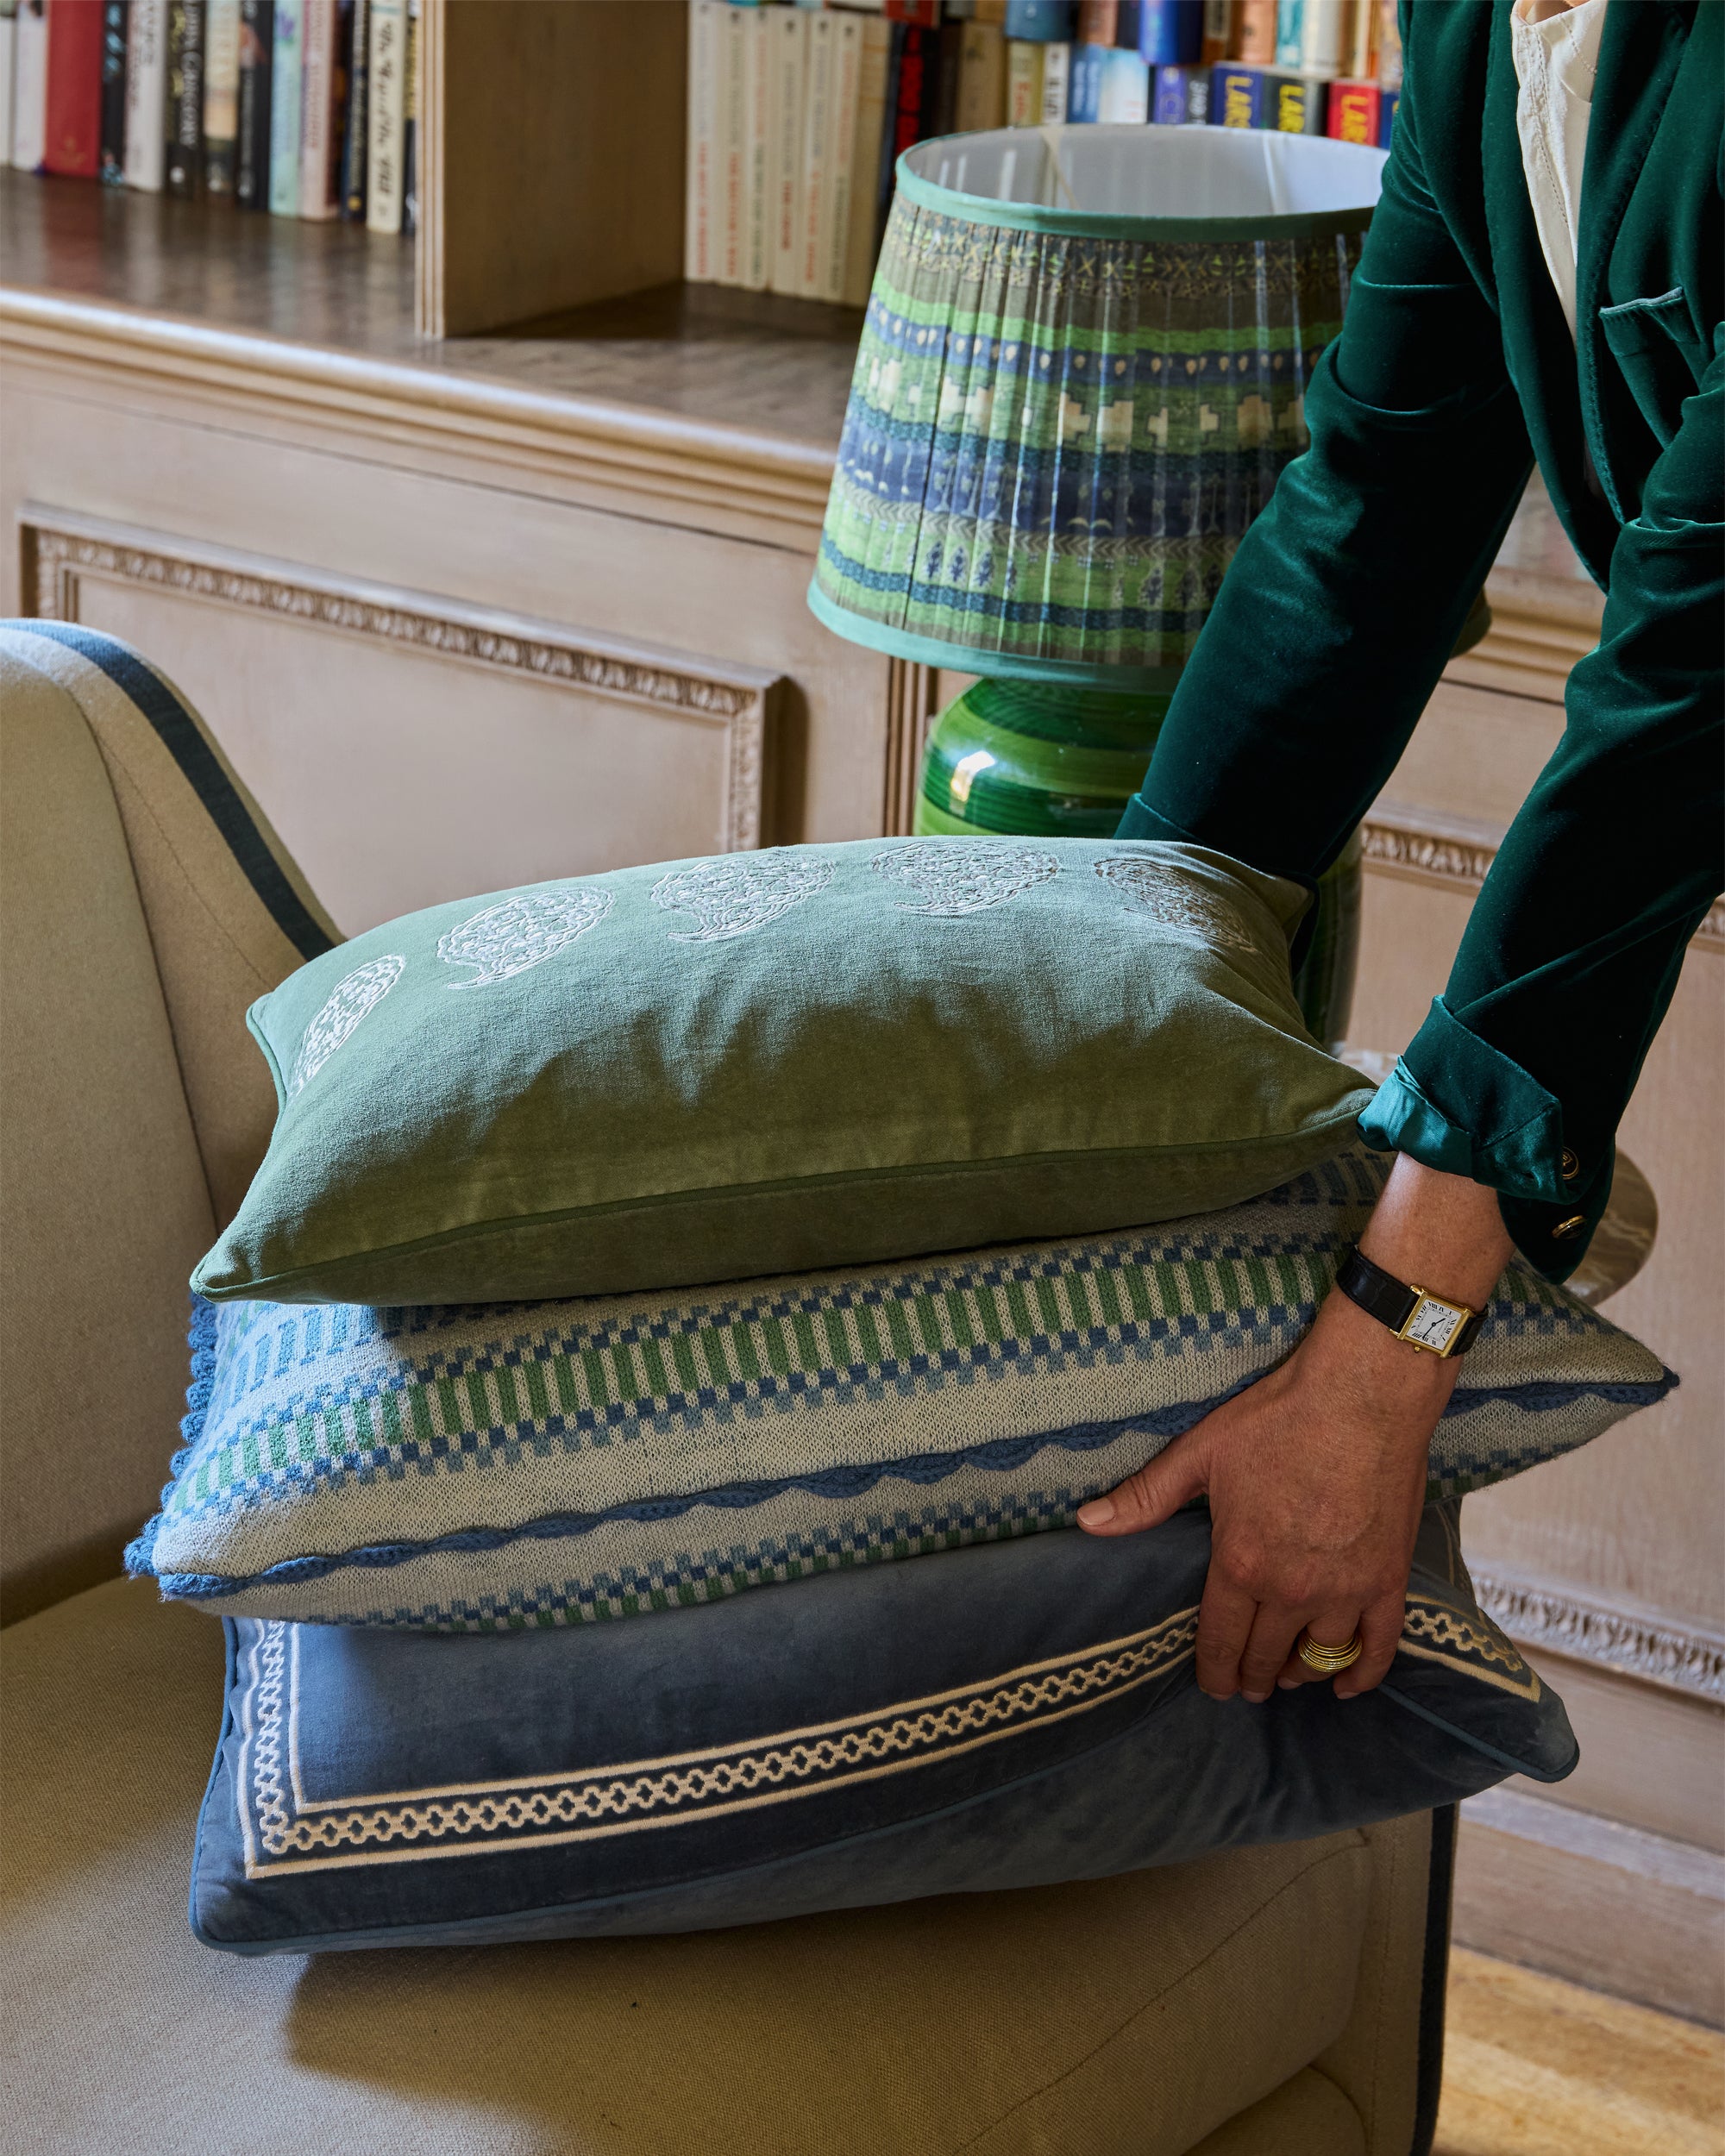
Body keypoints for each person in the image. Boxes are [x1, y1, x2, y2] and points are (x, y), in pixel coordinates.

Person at [1078, 0, 1722, 1708]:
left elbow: (1688, 693)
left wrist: (1387, 1342)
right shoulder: (1480, 29)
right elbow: (1367, 518)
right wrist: (1112, 965)